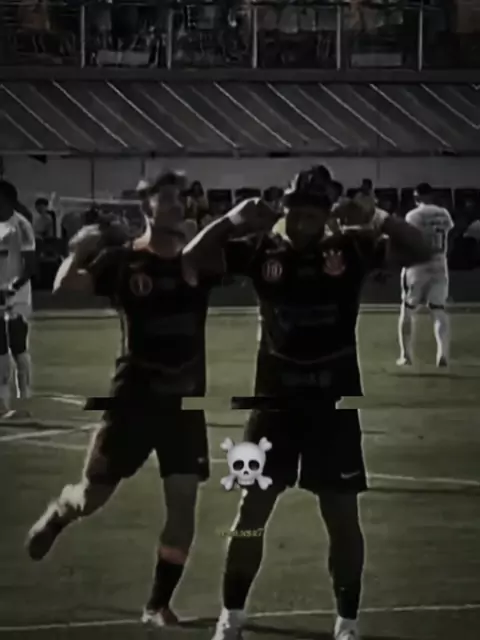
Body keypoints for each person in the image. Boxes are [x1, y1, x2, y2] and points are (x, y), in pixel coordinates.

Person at [183, 172, 432, 640]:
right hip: (273, 405)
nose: (302, 221)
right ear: (285, 209)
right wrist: (231, 220)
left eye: (312, 212)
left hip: (333, 406)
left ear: (326, 213)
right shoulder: (261, 250)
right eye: (295, 211)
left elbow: (422, 250)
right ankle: (231, 614)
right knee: (250, 513)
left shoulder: (351, 247)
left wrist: (376, 215)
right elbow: (191, 258)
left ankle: (347, 622)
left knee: (342, 518)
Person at [25, 176, 276, 626]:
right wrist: (79, 250)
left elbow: (245, 252)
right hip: (132, 402)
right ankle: (61, 512)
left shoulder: (197, 260)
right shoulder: (123, 261)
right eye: (168, 198)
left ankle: (157, 604)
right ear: (146, 206)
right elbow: (66, 287)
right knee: (91, 497)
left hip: (184, 407)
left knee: (183, 505)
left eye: (182, 198)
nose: (179, 205)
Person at [397, 182, 454, 367]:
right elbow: (450, 235)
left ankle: (406, 356)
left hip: (418, 263)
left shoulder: (413, 215)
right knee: (438, 309)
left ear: (416, 197)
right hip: (439, 262)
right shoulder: (444, 214)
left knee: (407, 309)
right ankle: (442, 354)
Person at [0, 180, 36, 418]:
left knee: (17, 345)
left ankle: (24, 397)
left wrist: (12, 288)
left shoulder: (21, 226)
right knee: (0, 347)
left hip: (17, 295)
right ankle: (3, 400)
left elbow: (30, 265)